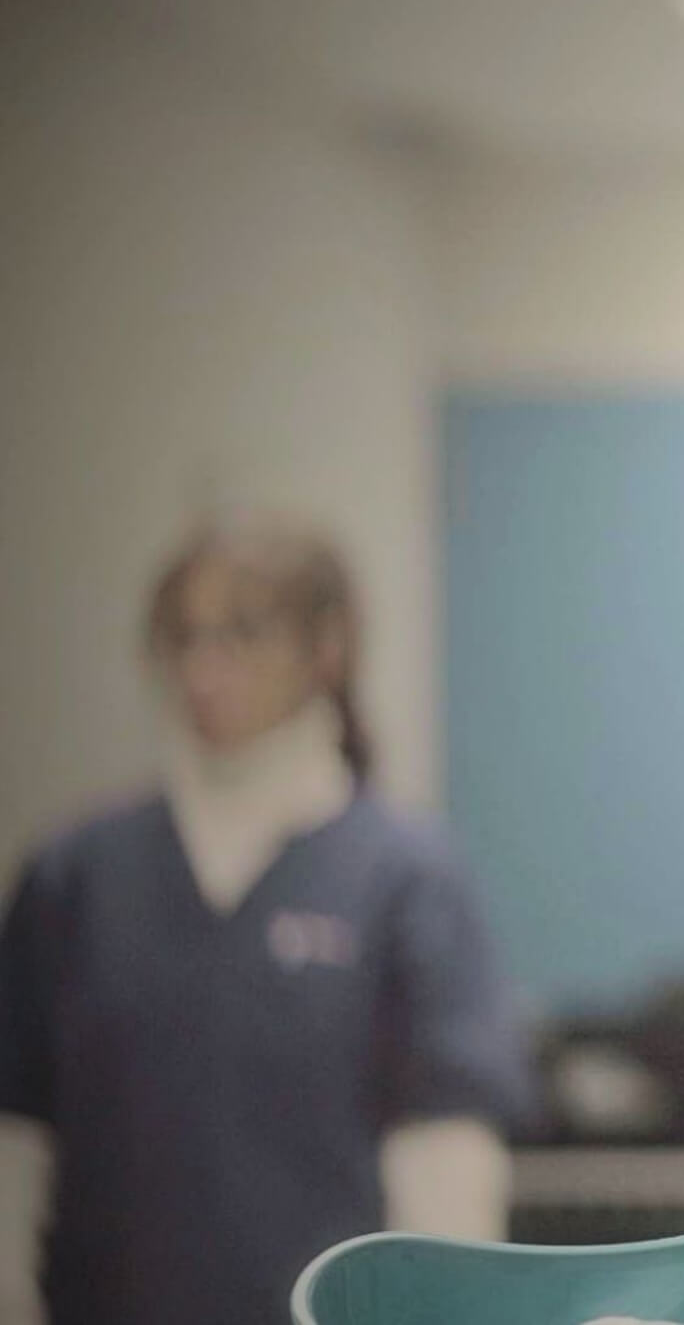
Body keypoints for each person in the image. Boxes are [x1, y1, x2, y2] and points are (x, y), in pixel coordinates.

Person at [0, 513, 534, 1325]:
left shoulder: (402, 876)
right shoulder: (76, 875)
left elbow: (446, 1168)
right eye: (183, 639)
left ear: (328, 648)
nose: (204, 670)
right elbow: (20, 1139)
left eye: (242, 634)